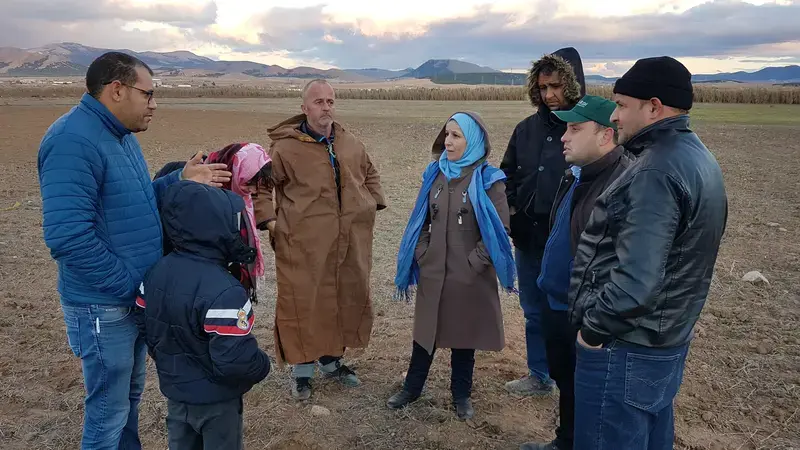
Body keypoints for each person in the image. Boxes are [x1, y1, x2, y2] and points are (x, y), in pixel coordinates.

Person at [37, 51, 231, 449]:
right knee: (107, 418)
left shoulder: (116, 137)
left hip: (129, 302)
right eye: (149, 94)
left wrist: (180, 179)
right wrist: (130, 286)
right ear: (117, 90)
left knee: (126, 405)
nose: (154, 104)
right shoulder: (73, 141)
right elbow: (68, 237)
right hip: (104, 306)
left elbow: (138, 201)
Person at [569, 57, 728, 449]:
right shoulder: (698, 157)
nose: (616, 116)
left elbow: (634, 282)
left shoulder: (654, 171)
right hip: (666, 339)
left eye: (622, 105)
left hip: (625, 348)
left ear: (654, 106)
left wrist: (593, 333)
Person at [260, 79, 387, 400]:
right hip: (302, 242)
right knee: (303, 301)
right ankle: (302, 371)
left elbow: (369, 171)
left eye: (330, 101)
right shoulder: (285, 147)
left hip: (347, 241)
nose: (326, 107)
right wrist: (271, 221)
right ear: (304, 108)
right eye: (318, 101)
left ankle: (332, 362)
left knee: (339, 297)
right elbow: (261, 185)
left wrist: (372, 202)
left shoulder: (349, 142)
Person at [520, 95, 631, 450]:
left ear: (605, 135)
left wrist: (592, 317)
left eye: (575, 128)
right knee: (567, 383)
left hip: (585, 313)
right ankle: (564, 441)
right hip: (557, 301)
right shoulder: (575, 175)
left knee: (591, 394)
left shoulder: (623, 183)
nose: (564, 137)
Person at [390, 112, 514, 420]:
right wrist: (422, 252)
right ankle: (412, 387)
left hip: (469, 275)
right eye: (447, 134)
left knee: (464, 337)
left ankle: (461, 394)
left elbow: (499, 230)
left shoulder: (488, 180)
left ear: (472, 140)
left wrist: (475, 263)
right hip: (434, 270)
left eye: (456, 136)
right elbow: (422, 219)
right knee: (425, 333)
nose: (448, 141)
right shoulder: (435, 175)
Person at [135, 181, 271, 450]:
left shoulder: (154, 273)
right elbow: (235, 360)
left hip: (176, 393)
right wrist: (262, 365)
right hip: (218, 403)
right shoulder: (226, 291)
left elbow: (144, 323)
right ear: (217, 229)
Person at [501, 47, 586, 396]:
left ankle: (574, 380)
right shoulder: (525, 130)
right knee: (533, 311)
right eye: (543, 87)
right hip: (528, 238)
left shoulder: (587, 129)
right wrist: (512, 211)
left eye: (556, 86)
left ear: (572, 84)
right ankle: (539, 375)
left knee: (569, 314)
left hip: (569, 243)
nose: (549, 94)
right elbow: (505, 175)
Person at [153, 142, 272, 307]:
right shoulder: (195, 190)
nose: (252, 191)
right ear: (235, 169)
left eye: (257, 186)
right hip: (194, 282)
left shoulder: (238, 193)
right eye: (249, 183)